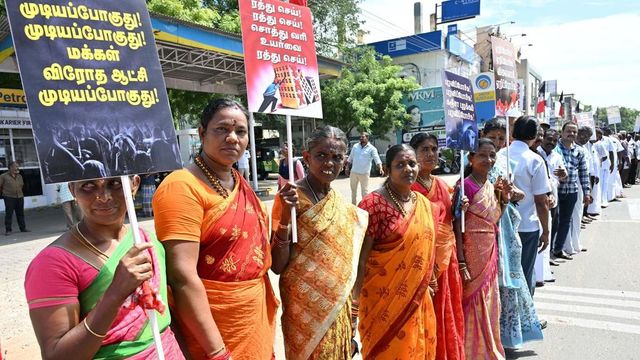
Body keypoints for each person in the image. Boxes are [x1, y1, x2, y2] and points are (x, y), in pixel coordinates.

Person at [153, 98, 297, 359]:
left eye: (240, 131)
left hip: (251, 316)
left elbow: (270, 261)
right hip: (212, 328)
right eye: (222, 129)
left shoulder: (238, 183)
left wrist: (285, 218)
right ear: (201, 133)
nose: (232, 138)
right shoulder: (181, 187)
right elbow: (181, 277)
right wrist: (217, 351)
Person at [24, 176, 184, 359]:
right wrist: (115, 293)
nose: (104, 196)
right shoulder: (52, 264)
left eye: (115, 183)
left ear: (134, 184)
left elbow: (166, 320)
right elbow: (57, 356)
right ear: (72, 189)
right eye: (88, 186)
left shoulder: (145, 241)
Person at [271, 126, 368, 360]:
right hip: (302, 309)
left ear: (345, 160)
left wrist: (354, 308)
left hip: (338, 306)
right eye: (321, 156)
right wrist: (286, 215)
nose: (329, 164)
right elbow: (276, 265)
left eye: (336, 157)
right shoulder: (290, 198)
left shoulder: (341, 205)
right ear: (306, 157)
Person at [354, 144, 437, 359]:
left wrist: (431, 278)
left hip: (417, 296)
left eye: (411, 163)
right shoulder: (372, 204)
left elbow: (426, 246)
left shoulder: (423, 204)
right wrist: (353, 304)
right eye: (400, 165)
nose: (408, 169)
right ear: (388, 169)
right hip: (381, 301)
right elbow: (360, 260)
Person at [483, 119, 545, 347]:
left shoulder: (501, 161)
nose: (498, 143)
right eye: (493, 137)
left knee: (509, 284)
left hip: (508, 230)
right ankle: (488, 336)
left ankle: (507, 335)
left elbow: (511, 190)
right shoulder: (475, 160)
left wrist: (512, 194)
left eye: (501, 138)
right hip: (486, 233)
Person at [454, 138, 512, 360]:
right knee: (472, 301)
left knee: (489, 301)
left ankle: (488, 350)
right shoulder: (464, 185)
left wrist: (504, 199)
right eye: (482, 155)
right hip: (470, 252)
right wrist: (461, 260)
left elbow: (495, 220)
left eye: (492, 155)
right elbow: (456, 225)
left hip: (489, 250)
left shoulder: (492, 186)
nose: (488, 160)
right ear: (471, 158)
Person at [409, 133, 465, 360]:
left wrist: (461, 205)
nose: (431, 154)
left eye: (434, 149)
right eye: (425, 149)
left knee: (448, 311)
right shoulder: (408, 187)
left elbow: (451, 221)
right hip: (422, 260)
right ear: (413, 154)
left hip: (446, 259)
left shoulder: (442, 185)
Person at [505, 116, 551, 295]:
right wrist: (546, 231)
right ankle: (526, 319)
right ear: (534, 136)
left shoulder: (500, 155)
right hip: (526, 226)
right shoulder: (535, 160)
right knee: (525, 272)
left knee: (507, 274)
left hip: (503, 224)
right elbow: (541, 201)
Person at [553, 122, 592, 260]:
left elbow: (583, 173)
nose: (572, 134)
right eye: (569, 131)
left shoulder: (579, 151)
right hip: (555, 191)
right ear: (562, 132)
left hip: (572, 191)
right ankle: (548, 251)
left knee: (566, 221)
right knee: (554, 221)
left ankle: (558, 249)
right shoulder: (554, 147)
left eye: (574, 132)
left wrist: (587, 192)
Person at [346, 133, 383, 205]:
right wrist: (347, 167)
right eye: (360, 137)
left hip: (364, 173)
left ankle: (364, 207)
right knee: (353, 191)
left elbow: (377, 159)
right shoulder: (355, 146)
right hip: (354, 172)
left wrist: (380, 167)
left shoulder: (372, 148)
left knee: (364, 192)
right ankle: (353, 206)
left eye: (363, 137)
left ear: (367, 138)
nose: (361, 138)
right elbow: (350, 157)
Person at [0, 162, 28, 235]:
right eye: (16, 167)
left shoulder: (19, 176)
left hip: (19, 196)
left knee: (20, 213)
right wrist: (4, 194)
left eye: (18, 166)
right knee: (9, 214)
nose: (17, 168)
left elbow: (21, 185)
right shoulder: (3, 176)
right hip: (9, 197)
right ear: (10, 168)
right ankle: (8, 230)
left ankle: (23, 228)